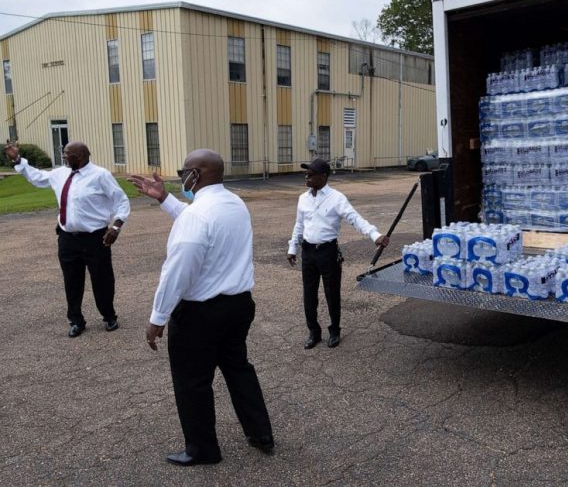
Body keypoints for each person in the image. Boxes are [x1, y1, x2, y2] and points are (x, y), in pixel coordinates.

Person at [128, 150, 273, 466]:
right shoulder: (234, 204)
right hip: (238, 306)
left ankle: (203, 449)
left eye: (183, 172)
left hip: (200, 315)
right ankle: (261, 433)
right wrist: (164, 198)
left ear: (196, 174)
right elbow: (199, 220)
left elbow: (177, 271)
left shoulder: (197, 216)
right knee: (238, 369)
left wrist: (158, 318)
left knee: (192, 381)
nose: (181, 178)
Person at [3, 141, 128, 337]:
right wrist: (18, 159)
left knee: (102, 279)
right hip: (67, 238)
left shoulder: (100, 175)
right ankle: (76, 320)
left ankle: (109, 316)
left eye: (67, 154)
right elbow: (37, 177)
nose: (63, 157)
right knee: (72, 280)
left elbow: (121, 201)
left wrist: (115, 227)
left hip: (95, 238)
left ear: (81, 156)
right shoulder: (60, 173)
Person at [287, 159, 390, 349]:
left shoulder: (337, 198)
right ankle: (314, 332)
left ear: (324, 176)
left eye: (311, 173)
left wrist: (374, 235)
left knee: (332, 294)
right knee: (309, 295)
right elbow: (299, 225)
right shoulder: (303, 198)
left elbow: (354, 218)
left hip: (328, 252)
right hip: (308, 252)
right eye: (306, 173)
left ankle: (334, 331)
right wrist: (292, 247)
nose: (307, 176)